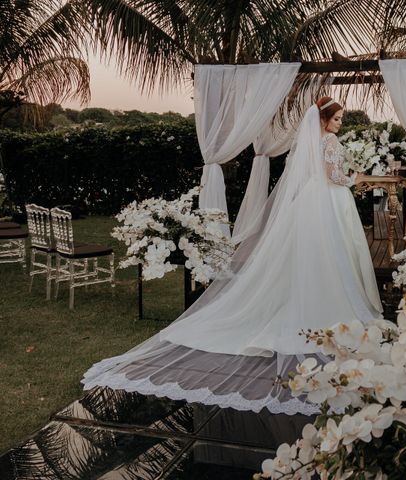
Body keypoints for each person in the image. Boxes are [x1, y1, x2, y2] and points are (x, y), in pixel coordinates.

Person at [82, 97, 383, 415]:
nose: (339, 124)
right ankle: (327, 300)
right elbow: (335, 176)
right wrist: (357, 179)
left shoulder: (310, 142)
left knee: (307, 256)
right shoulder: (331, 141)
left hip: (308, 202)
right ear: (324, 120)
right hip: (330, 201)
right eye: (337, 119)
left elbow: (311, 175)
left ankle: (301, 296)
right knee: (331, 254)